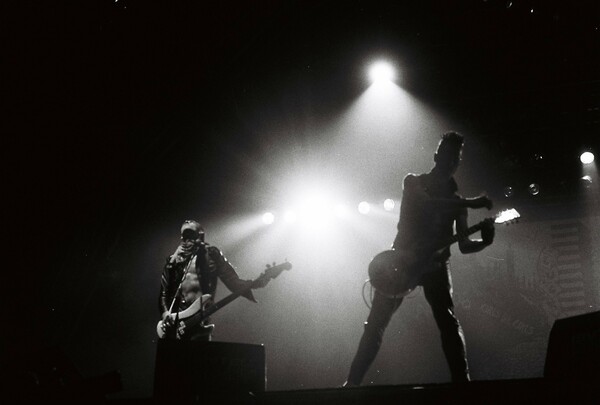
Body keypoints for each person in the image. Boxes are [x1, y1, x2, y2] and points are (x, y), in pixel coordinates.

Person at [344, 132, 495, 385]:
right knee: (376, 324)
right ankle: (352, 383)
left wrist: (486, 241)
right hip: (400, 263)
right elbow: (428, 205)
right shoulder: (413, 182)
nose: (450, 162)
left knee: (448, 321)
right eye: (446, 155)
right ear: (436, 156)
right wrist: (473, 203)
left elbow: (465, 245)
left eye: (455, 158)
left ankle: (462, 383)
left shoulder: (458, 202)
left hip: (436, 265)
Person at [158, 220, 266, 341]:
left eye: (191, 235)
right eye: (185, 236)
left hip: (201, 322)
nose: (187, 240)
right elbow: (163, 293)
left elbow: (232, 281)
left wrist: (255, 283)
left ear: (200, 236)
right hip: (176, 324)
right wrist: (165, 313)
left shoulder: (212, 255)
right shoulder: (174, 260)